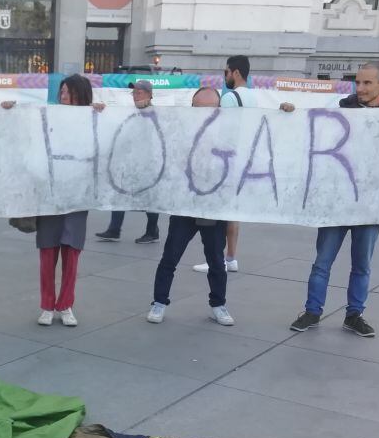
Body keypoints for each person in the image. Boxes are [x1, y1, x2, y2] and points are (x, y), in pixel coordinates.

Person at [290, 61, 379, 338]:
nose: (360, 88)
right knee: (322, 262)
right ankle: (312, 311)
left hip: (369, 205)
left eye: (367, 83)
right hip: (336, 202)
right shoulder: (341, 109)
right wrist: (289, 115)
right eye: (358, 82)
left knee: (361, 265)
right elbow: (308, 133)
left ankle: (354, 315)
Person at [192, 54, 295, 274]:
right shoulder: (253, 97)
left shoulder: (230, 98)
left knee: (220, 213)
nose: (225, 76)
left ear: (236, 72)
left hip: (228, 158)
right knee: (233, 212)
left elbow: (222, 128)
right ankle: (231, 258)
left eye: (226, 72)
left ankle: (216, 259)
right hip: (245, 159)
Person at [147, 87, 234, 328]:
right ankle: (159, 302)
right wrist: (143, 107)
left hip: (215, 208)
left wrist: (284, 112)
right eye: (199, 109)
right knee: (170, 257)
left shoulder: (229, 131)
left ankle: (218, 305)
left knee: (216, 260)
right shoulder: (180, 130)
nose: (204, 114)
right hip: (185, 206)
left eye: (210, 109)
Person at [36, 74, 99, 327]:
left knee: (71, 253)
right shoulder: (49, 117)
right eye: (61, 92)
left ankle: (65, 305)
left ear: (81, 95)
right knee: (48, 253)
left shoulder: (94, 118)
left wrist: (100, 115)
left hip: (77, 196)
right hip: (51, 196)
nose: (63, 96)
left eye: (68, 92)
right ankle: (47, 305)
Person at [95, 79, 160, 245]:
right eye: (134, 93)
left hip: (148, 165)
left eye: (139, 92)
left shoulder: (157, 113)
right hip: (130, 163)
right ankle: (114, 229)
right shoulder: (129, 112)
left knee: (149, 198)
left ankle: (152, 231)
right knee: (120, 193)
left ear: (149, 94)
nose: (135, 96)